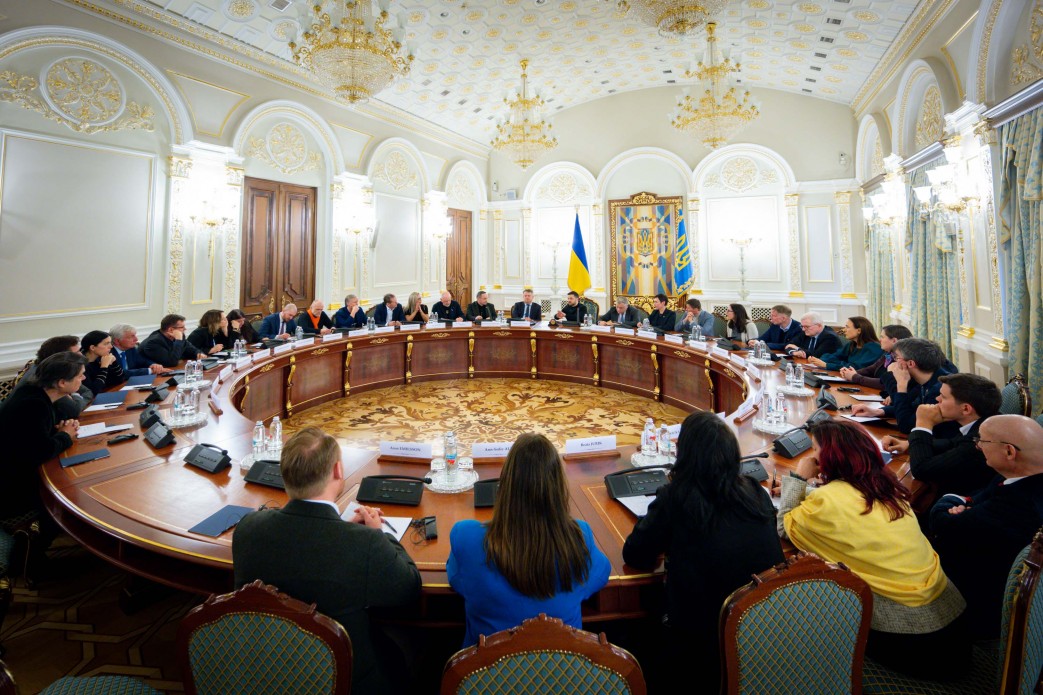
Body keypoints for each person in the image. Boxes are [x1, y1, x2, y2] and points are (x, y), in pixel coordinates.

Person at [233, 427, 421, 695]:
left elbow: (307, 548)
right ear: (337, 470)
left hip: (261, 673)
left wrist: (344, 529)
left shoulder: (248, 528)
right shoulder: (364, 543)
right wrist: (380, 534)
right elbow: (409, 589)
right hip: (341, 680)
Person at [777, 419, 967, 679]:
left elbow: (785, 523)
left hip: (912, 641)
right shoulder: (887, 488)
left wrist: (798, 478)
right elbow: (843, 500)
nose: (813, 456)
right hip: (953, 624)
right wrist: (810, 489)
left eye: (815, 449)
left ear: (829, 458)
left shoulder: (827, 501)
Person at [623, 412, 784, 691]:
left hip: (701, 647)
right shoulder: (755, 492)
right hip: (763, 637)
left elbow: (635, 554)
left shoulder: (676, 497)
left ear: (684, 455)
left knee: (633, 632)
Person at [447, 433, 610, 647]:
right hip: (562, 668)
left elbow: (456, 580)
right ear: (558, 488)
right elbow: (601, 575)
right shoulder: (580, 538)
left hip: (488, 669)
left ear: (505, 484)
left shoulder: (466, 538)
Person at [930, 415, 1043, 639]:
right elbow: (978, 496)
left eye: (982, 440)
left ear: (1009, 451)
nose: (978, 446)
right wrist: (966, 504)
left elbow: (943, 524)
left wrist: (950, 503)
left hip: (976, 609)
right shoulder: (1020, 477)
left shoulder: (1018, 505)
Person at [881, 373, 1000, 497]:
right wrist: (909, 444)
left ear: (966, 409)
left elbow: (922, 470)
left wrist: (923, 424)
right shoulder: (988, 420)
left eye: (943, 396)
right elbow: (951, 444)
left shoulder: (979, 443)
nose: (937, 399)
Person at [0, 351, 85, 522]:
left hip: (17, 469)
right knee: (76, 492)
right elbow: (39, 452)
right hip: (13, 487)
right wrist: (65, 435)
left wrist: (59, 430)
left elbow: (31, 436)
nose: (83, 378)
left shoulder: (34, 392)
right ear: (62, 382)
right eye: (80, 375)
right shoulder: (34, 405)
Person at [851, 338, 953, 433]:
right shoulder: (926, 379)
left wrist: (901, 385)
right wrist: (878, 411)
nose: (893, 362)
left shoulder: (939, 390)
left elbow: (906, 425)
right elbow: (911, 408)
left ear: (910, 364)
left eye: (896, 358)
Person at [12, 335, 93, 418]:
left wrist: (74, 395)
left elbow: (87, 392)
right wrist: (76, 395)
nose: (81, 355)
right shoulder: (46, 382)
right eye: (75, 354)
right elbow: (74, 410)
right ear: (61, 358)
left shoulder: (46, 369)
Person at [838, 324, 912, 390]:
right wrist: (850, 373)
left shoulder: (903, 361)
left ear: (894, 341)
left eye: (882, 337)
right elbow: (871, 369)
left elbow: (884, 383)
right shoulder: (888, 354)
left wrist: (855, 377)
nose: (879, 340)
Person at [808, 316, 882, 371]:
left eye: (847, 327)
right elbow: (831, 356)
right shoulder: (852, 344)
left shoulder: (874, 348)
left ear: (859, 330)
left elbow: (855, 367)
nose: (844, 330)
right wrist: (816, 360)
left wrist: (828, 365)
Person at [80, 330, 127, 395]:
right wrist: (104, 367)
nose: (111, 346)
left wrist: (114, 363)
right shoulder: (81, 366)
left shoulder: (102, 358)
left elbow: (120, 380)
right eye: (106, 343)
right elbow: (93, 391)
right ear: (92, 347)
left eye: (110, 343)